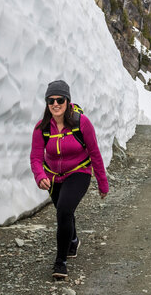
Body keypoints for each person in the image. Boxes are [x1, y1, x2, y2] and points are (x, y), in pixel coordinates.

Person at [30, 80, 108, 279]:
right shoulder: (42, 128)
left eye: (60, 100)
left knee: (64, 209)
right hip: (53, 176)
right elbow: (36, 157)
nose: (55, 104)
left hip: (79, 172)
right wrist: (40, 176)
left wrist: (102, 182)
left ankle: (60, 262)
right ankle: (73, 239)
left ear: (68, 101)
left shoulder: (82, 123)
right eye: (51, 100)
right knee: (64, 211)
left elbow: (95, 153)